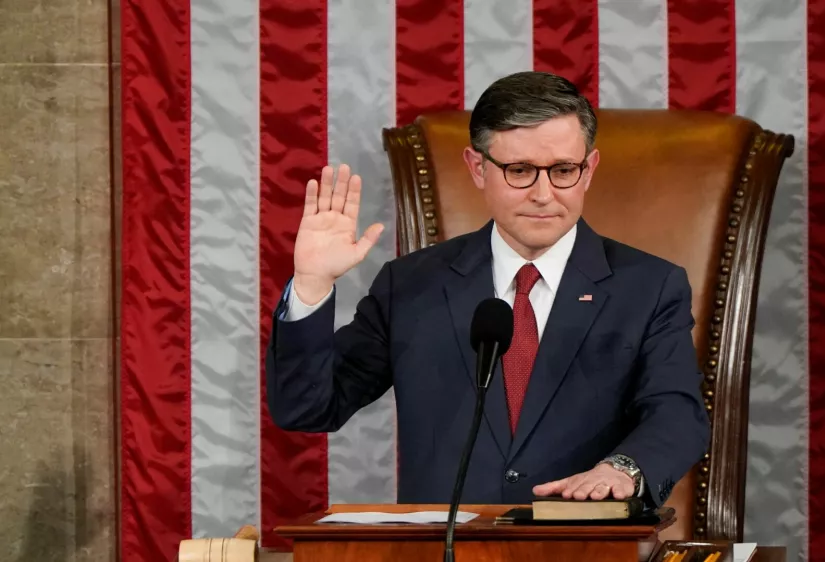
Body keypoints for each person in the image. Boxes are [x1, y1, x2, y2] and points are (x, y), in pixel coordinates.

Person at [265, 71, 709, 508]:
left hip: (584, 540)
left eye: (563, 170)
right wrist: (312, 283)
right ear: (478, 168)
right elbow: (308, 408)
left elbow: (676, 413)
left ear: (588, 169)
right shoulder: (411, 285)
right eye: (520, 170)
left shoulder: (649, 286)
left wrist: (623, 470)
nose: (543, 194)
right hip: (448, 543)